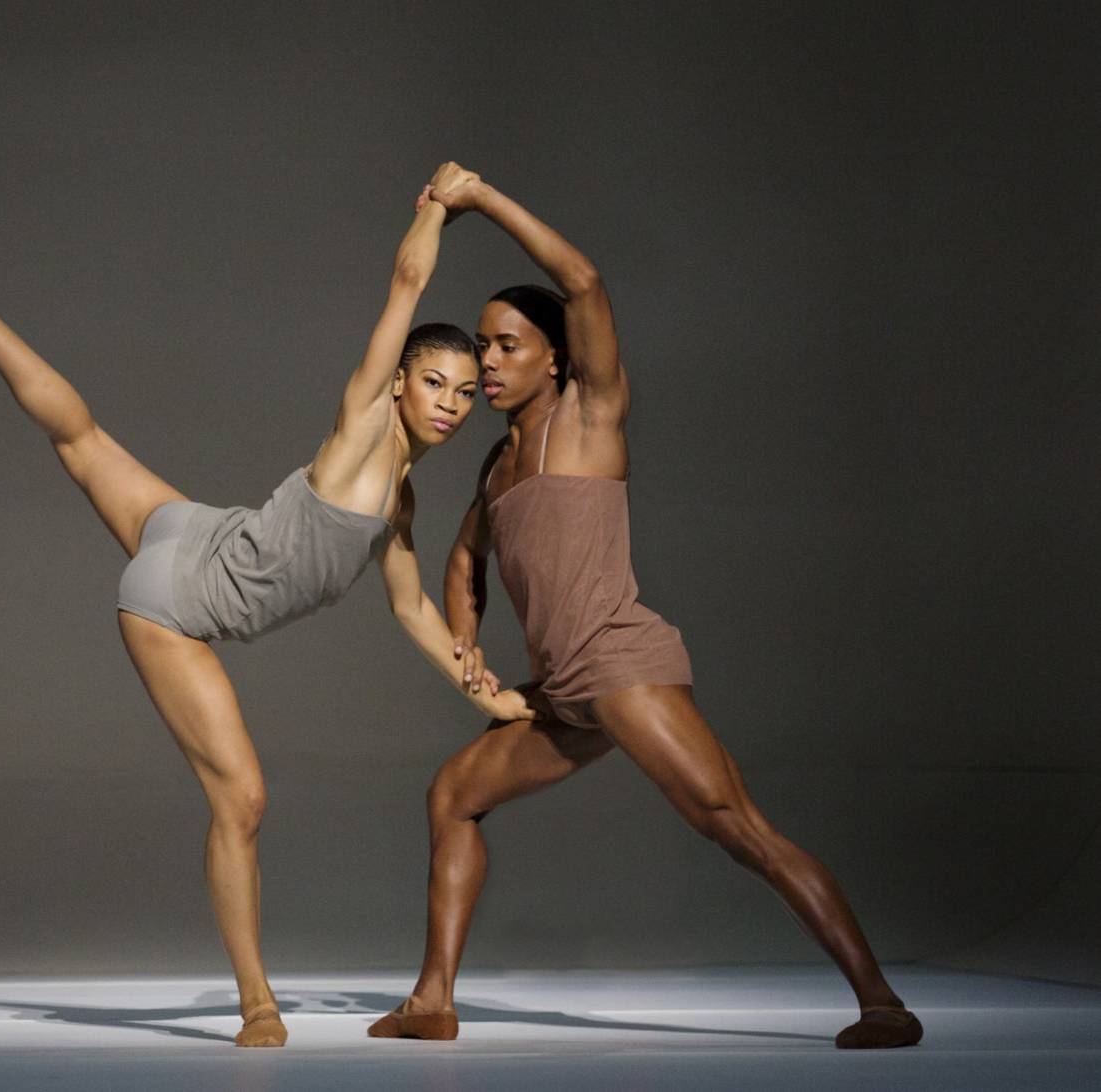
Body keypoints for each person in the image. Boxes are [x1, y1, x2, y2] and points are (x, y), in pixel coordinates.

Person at [0, 163, 535, 1048]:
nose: (452, 404)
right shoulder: (360, 430)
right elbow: (407, 282)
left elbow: (413, 608)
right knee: (244, 803)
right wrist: (437, 209)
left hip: (198, 530)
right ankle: (258, 1004)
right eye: (434, 383)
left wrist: (477, 686)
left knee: (81, 437)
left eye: (465, 392)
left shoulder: (401, 502)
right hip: (176, 601)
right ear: (397, 385)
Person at [369, 170, 923, 1050]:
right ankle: (432, 1001)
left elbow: (584, 282)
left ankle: (881, 1002)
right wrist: (467, 642)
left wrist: (481, 199)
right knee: (454, 796)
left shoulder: (591, 413)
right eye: (482, 347)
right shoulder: (496, 466)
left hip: (622, 666)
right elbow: (464, 558)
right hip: (565, 691)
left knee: (736, 827)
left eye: (509, 345)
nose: (490, 363)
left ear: (555, 357)